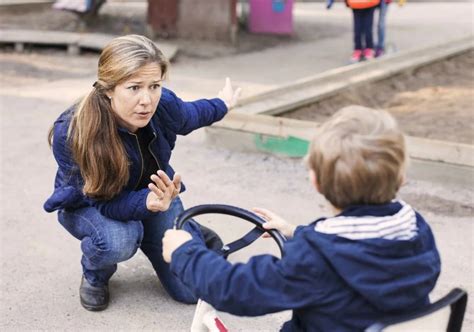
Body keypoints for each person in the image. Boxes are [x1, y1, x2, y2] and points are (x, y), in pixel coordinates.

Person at [162, 106, 441, 331]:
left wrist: (185, 253)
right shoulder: (416, 230)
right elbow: (354, 241)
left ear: (315, 181)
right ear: (401, 178)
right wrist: (297, 232)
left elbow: (237, 289)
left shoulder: (316, 260)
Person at [44, 34, 241, 311]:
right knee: (120, 239)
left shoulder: (162, 104)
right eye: (134, 87)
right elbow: (102, 200)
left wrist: (223, 105)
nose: (147, 100)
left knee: (190, 291)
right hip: (91, 204)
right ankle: (95, 275)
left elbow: (190, 115)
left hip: (153, 194)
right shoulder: (73, 131)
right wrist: (145, 204)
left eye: (155, 86)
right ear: (108, 89)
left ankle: (189, 229)